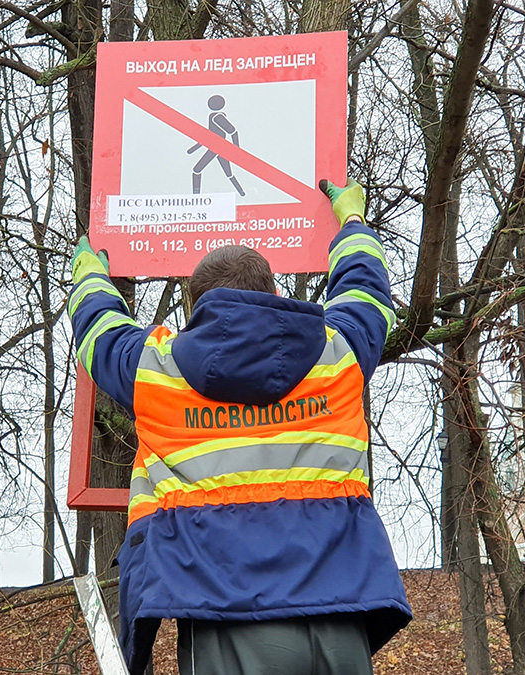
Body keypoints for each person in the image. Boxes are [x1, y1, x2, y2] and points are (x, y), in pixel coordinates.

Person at [68, 179, 411, 675]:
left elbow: (99, 332)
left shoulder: (156, 374)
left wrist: (89, 277)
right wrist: (352, 220)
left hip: (225, 620)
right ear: (273, 293)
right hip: (342, 614)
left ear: (195, 309)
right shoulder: (340, 356)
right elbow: (366, 289)